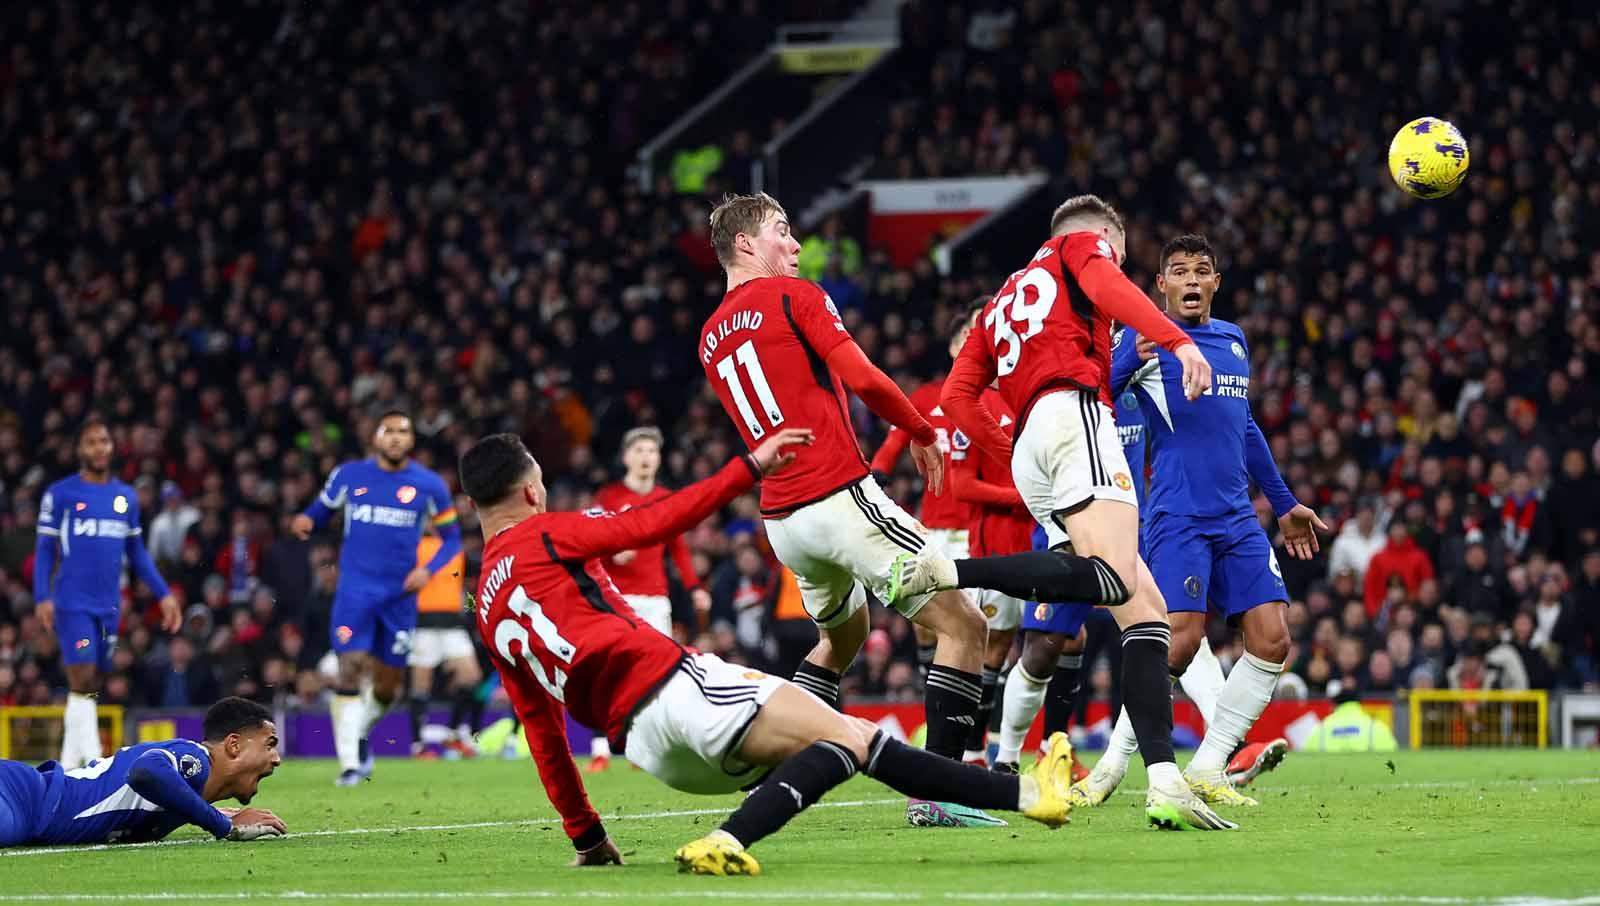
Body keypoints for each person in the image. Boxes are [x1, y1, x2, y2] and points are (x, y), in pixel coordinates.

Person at [458, 430, 1072, 876]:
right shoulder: (545, 531)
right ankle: (730, 837)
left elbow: (543, 732)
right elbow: (651, 523)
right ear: (532, 489)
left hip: (651, 751)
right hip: (677, 689)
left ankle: (1023, 797)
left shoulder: (485, 605)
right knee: (854, 740)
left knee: (838, 742)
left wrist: (588, 837)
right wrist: (745, 467)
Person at [698, 192, 993, 827]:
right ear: (747, 245)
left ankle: (773, 776)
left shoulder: (709, 336)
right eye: (784, 230)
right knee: (966, 625)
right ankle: (938, 797)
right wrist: (921, 429)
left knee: (843, 637)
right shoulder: (795, 297)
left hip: (782, 521)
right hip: (837, 498)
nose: (797, 245)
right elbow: (862, 378)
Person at [937, 194, 1231, 831]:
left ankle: (1163, 780)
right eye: (1119, 254)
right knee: (1118, 581)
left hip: (1033, 447)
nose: (1116, 265)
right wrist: (1176, 341)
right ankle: (954, 571)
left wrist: (1012, 447)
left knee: (1144, 614)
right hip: (1075, 416)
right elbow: (1103, 281)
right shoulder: (1080, 246)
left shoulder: (1001, 302)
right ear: (1104, 234)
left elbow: (958, 396)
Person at [1079, 234, 1326, 808]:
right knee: (1179, 643)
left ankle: (1210, 765)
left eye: (1202, 270)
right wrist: (1121, 364)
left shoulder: (1234, 341)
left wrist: (1284, 504)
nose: (1192, 280)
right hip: (1178, 513)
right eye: (1180, 271)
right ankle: (1111, 769)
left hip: (1238, 516)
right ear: (1160, 285)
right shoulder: (1143, 339)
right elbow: (1092, 403)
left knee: (1272, 638)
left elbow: (1244, 429)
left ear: (1216, 282)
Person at [291, 411, 462, 786]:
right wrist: (305, 520)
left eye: (404, 431)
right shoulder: (349, 475)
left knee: (388, 688)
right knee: (349, 667)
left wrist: (427, 572)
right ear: (376, 437)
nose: (397, 438)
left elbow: (452, 539)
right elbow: (320, 510)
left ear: (412, 440)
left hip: (400, 598)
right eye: (390, 431)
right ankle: (350, 765)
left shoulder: (429, 485)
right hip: (354, 593)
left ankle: (360, 735)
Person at [34, 418, 182, 769]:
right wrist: (42, 596)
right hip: (72, 602)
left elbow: (138, 554)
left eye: (104, 441)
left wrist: (164, 594)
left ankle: (68, 768)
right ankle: (94, 762)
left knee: (91, 682)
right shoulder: (62, 494)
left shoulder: (125, 497)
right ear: (79, 450)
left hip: (108, 605)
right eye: (91, 442)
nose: (99, 448)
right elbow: (44, 550)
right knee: (83, 677)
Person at [587, 426, 712, 771]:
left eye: (651, 451)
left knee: (657, 674)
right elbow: (587, 544)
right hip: (615, 598)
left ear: (658, 458)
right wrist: (613, 552)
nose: (645, 457)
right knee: (607, 672)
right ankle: (600, 749)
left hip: (655, 599)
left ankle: (646, 749)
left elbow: (680, 550)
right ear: (626, 457)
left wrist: (695, 588)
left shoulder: (665, 498)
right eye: (639, 450)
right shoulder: (608, 498)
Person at [0, 697, 284, 847]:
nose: (277, 759)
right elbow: (146, 772)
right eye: (269, 744)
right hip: (23, 798)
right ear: (233, 745)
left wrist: (206, 812)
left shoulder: (191, 790)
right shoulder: (195, 758)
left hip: (29, 809)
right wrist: (223, 826)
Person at [407, 531, 482, 759]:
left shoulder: (455, 548)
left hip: (452, 623)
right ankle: (418, 746)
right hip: (422, 622)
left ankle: (453, 733)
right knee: (421, 685)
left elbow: (473, 577)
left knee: (472, 677)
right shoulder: (411, 546)